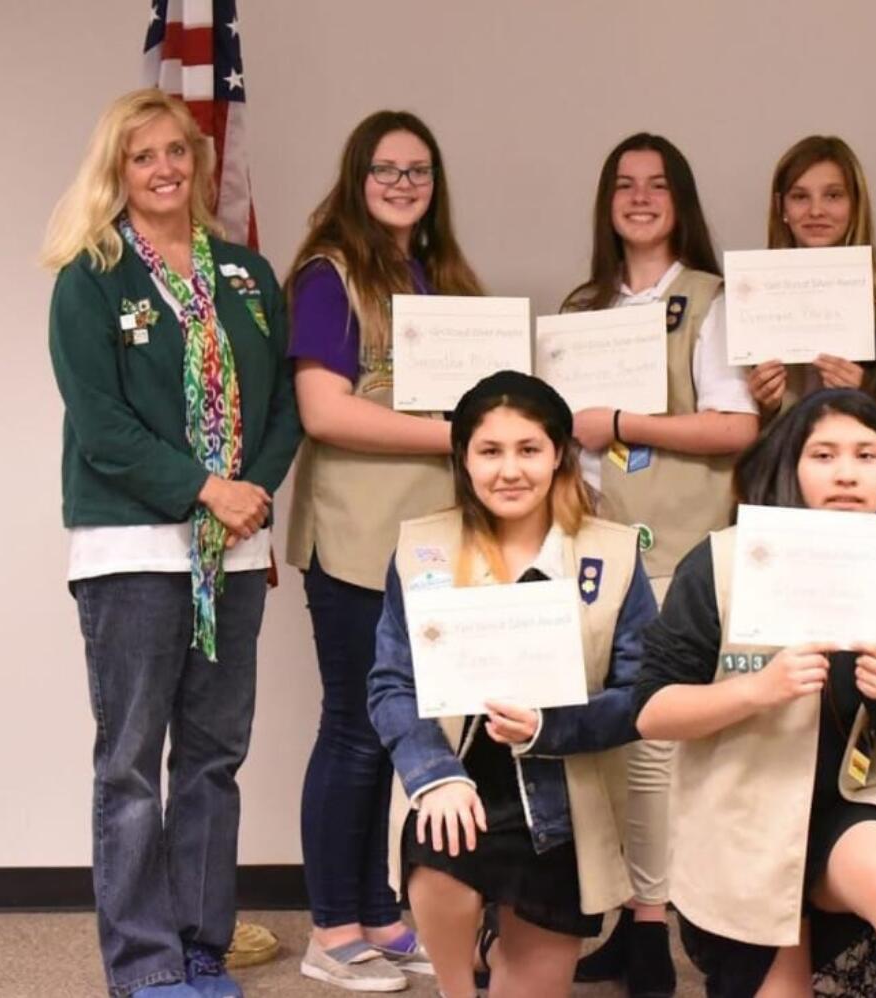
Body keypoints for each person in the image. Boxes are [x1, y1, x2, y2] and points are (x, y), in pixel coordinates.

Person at [43, 89, 301, 998]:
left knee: (212, 758)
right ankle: (145, 967)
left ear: (197, 164)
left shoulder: (246, 277)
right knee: (129, 769)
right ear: (116, 169)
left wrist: (252, 491)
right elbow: (103, 426)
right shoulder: (92, 277)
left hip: (229, 556)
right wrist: (205, 489)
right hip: (133, 555)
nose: (164, 169)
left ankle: (200, 943)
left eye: (177, 154)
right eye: (143, 155)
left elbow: (283, 408)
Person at [634, 389, 876, 998]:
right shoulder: (721, 565)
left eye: (865, 456)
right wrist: (756, 691)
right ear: (792, 470)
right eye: (823, 455)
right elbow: (652, 712)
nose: (846, 473)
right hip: (741, 816)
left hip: (851, 805)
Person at [367, 370, 658, 998]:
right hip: (459, 781)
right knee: (439, 842)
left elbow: (644, 696)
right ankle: (455, 981)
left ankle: (501, 945)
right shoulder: (423, 551)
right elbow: (392, 684)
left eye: (528, 450)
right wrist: (431, 775)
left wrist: (549, 726)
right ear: (463, 459)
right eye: (489, 451)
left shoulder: (614, 554)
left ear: (559, 455)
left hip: (562, 800)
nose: (510, 470)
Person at [285, 109, 483, 991]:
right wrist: (450, 436)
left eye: (419, 172)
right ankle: (331, 931)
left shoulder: (436, 275)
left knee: (394, 722)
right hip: (359, 537)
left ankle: (374, 908)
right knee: (354, 729)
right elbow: (324, 411)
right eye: (386, 170)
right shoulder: (330, 275)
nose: (403, 185)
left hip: (427, 539)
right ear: (356, 177)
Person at [561, 132, 760, 996]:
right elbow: (567, 438)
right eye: (624, 184)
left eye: (657, 185)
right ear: (607, 202)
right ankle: (636, 926)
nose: (640, 198)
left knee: (665, 745)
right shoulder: (583, 306)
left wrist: (625, 425)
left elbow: (737, 428)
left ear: (681, 200)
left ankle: (661, 926)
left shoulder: (711, 300)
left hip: (681, 549)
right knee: (614, 743)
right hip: (598, 552)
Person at [747, 136, 876, 420]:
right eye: (800, 196)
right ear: (782, 208)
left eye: (833, 195)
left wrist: (866, 393)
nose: (816, 211)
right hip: (784, 458)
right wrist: (763, 405)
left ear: (855, 203)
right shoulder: (753, 297)